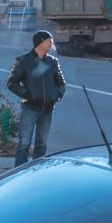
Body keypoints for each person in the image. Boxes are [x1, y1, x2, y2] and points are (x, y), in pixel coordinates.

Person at [6, 29, 66, 166]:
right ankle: (20, 173)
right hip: (30, 108)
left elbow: (61, 83)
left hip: (48, 109)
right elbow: (11, 83)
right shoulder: (23, 60)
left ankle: (36, 172)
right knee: (24, 143)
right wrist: (27, 95)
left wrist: (56, 96)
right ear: (40, 42)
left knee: (42, 144)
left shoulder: (52, 61)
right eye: (49, 40)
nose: (52, 43)